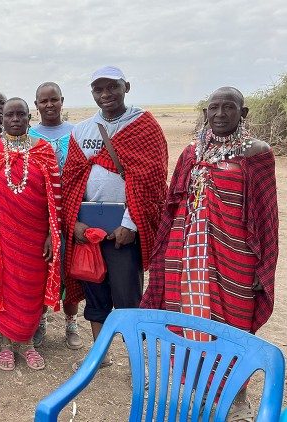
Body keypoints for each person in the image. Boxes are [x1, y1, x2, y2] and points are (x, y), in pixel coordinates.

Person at [140, 87, 277, 419]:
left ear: (242, 113)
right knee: (189, 319)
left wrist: (264, 268)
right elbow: (174, 201)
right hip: (187, 254)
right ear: (205, 113)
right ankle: (197, 390)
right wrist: (166, 252)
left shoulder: (257, 154)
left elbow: (266, 215)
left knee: (235, 323)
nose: (219, 114)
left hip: (236, 257)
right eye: (213, 108)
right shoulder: (191, 152)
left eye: (228, 108)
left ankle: (237, 397)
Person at [61, 66, 167, 370]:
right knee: (95, 295)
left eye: (112, 87)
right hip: (89, 229)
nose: (106, 94)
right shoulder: (82, 130)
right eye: (99, 89)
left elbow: (152, 182)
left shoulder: (144, 126)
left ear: (127, 87)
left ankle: (137, 363)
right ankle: (100, 355)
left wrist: (130, 225)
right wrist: (75, 223)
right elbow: (71, 180)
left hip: (124, 230)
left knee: (128, 299)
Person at [0, 98, 62, 371]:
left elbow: (54, 199)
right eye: (9, 114)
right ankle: (5, 344)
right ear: (2, 118)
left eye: (20, 114)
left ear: (29, 116)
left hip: (36, 238)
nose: (14, 119)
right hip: (1, 237)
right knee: (4, 287)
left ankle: (27, 344)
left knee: (30, 288)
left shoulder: (43, 150)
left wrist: (51, 233)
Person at [28, 82, 83, 351]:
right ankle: (41, 321)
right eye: (43, 101)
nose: (49, 105)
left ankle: (71, 323)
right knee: (40, 269)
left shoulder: (77, 133)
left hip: (71, 211)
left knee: (70, 271)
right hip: (38, 216)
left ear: (62, 101)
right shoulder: (28, 135)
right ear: (35, 105)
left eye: (54, 100)